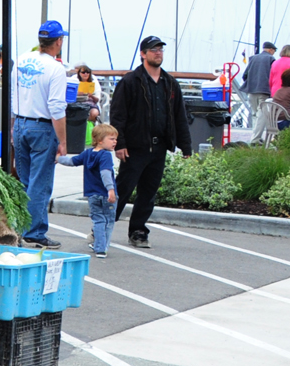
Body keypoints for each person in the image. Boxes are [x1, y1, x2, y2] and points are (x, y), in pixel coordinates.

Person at [109, 35, 191, 250]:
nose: (158, 53)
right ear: (143, 54)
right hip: (134, 148)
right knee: (123, 189)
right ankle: (104, 226)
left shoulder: (170, 83)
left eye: (160, 49)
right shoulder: (130, 81)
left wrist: (185, 145)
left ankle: (138, 231)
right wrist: (119, 143)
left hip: (159, 147)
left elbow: (179, 116)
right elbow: (118, 115)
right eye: (153, 49)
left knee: (148, 193)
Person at [11, 20, 70, 247]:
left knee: (24, 181)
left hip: (20, 122)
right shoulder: (56, 69)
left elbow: (13, 94)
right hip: (42, 127)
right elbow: (56, 107)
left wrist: (13, 124)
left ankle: (19, 227)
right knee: (40, 183)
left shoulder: (22, 60)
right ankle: (34, 232)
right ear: (58, 41)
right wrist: (63, 141)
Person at [59, 125, 119, 257]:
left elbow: (71, 161)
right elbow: (105, 173)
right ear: (100, 140)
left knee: (98, 220)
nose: (115, 142)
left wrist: (57, 158)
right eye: (111, 139)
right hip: (105, 194)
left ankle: (98, 245)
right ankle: (102, 247)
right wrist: (110, 190)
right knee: (108, 221)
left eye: (115, 139)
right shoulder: (105, 155)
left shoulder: (87, 153)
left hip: (92, 194)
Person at [241, 41, 277, 124]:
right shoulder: (271, 59)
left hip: (251, 90)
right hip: (264, 90)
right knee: (262, 113)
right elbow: (273, 76)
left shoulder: (253, 58)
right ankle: (258, 132)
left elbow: (245, 75)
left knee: (254, 113)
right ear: (271, 50)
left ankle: (254, 130)